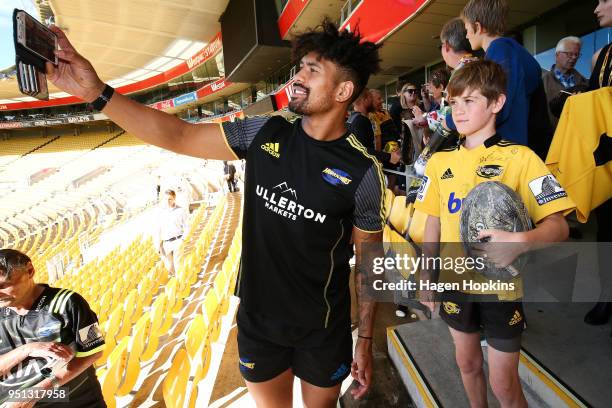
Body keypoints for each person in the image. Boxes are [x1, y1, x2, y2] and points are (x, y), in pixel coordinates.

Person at [46, 19, 384, 406]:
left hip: (324, 328)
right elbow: (180, 135)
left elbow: (371, 264)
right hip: (259, 321)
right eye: (300, 66)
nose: (298, 77)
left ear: (343, 90)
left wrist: (367, 340)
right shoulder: (265, 132)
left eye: (312, 70)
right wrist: (97, 94)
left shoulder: (363, 171)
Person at [415, 60, 574, 407]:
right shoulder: (439, 162)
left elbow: (559, 225)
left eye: (469, 101)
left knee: (504, 384)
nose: (458, 110)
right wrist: (427, 272)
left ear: (497, 103)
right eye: (454, 102)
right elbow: (432, 221)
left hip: (500, 288)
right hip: (454, 281)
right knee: (467, 363)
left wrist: (520, 242)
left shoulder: (522, 158)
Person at [0, 249, 106, 407]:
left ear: (29, 271)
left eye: (3, 285)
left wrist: (37, 392)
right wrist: (27, 349)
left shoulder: (70, 302)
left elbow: (94, 351)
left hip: (78, 402)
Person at [458, 0, 553, 159]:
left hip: (514, 152)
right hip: (530, 149)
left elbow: (497, 107)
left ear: (478, 27)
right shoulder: (513, 50)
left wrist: (451, 121)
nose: (466, 35)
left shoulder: (500, 51)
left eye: (467, 29)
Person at [582, 0, 612, 328]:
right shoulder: (603, 56)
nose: (597, 8)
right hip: (607, 160)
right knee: (607, 232)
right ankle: (607, 295)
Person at [542, 36, 589, 130]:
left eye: (577, 54)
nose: (574, 58)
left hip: (578, 137)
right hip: (552, 138)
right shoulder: (542, 81)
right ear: (557, 54)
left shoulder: (585, 83)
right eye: (569, 54)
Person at [347, 88, 401, 166]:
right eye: (370, 98)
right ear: (364, 100)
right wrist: (388, 157)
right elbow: (362, 150)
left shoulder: (352, 118)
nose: (372, 101)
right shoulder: (361, 121)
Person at [157, 189, 189, 276]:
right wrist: (159, 245)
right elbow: (159, 229)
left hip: (177, 241)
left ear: (174, 198)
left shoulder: (181, 210)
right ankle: (178, 283)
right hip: (166, 243)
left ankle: (180, 285)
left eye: (170, 199)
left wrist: (183, 239)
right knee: (170, 268)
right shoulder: (161, 212)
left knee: (178, 265)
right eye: (166, 199)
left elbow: (187, 226)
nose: (168, 201)